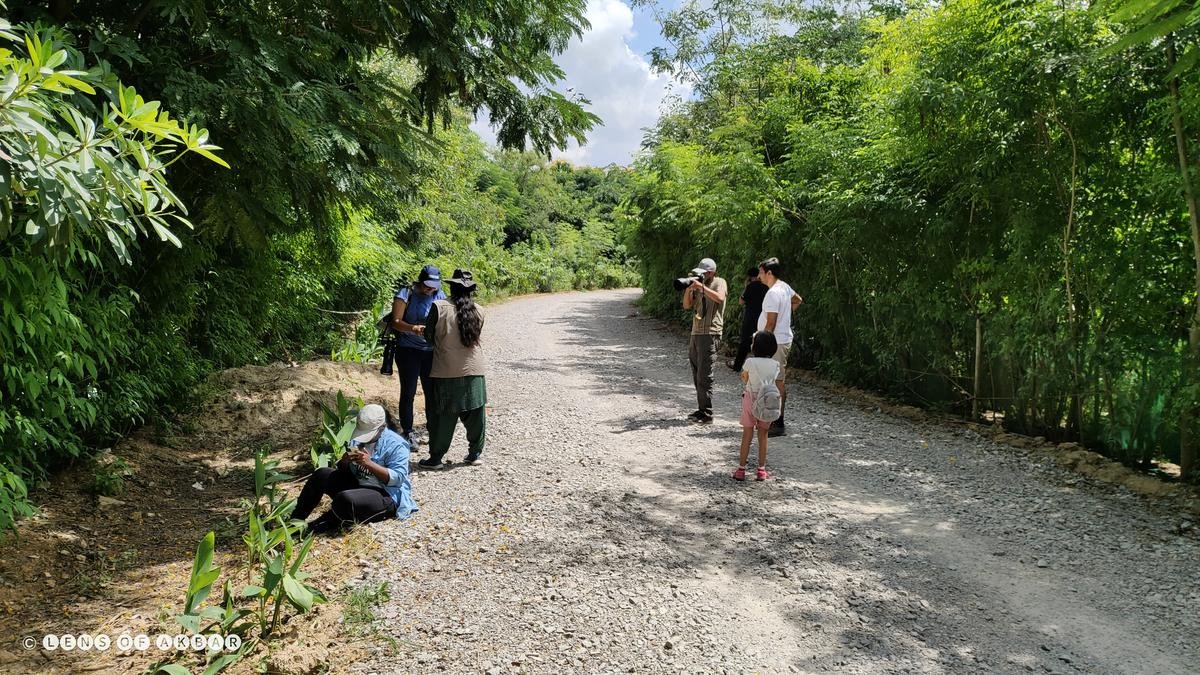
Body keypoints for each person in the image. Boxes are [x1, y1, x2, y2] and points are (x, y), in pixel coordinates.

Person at [291, 403, 418, 534]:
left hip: (386, 494)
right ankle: (294, 520)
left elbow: (398, 479)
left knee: (346, 499)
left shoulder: (397, 444)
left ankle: (314, 527)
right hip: (359, 484)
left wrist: (370, 464)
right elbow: (342, 470)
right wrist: (345, 462)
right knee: (321, 474)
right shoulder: (357, 439)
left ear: (382, 428)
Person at [417, 269, 487, 468]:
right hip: (475, 369)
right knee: (476, 413)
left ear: (450, 287)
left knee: (443, 415)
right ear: (471, 289)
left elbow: (429, 336)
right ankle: (474, 454)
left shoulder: (438, 307)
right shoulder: (480, 310)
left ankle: (436, 458)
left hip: (446, 370)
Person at [390, 265, 446, 445]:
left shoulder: (439, 295)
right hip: (408, 349)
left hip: (431, 351)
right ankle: (407, 431)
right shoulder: (405, 294)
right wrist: (412, 328)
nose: (430, 289)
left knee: (432, 392)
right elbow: (396, 322)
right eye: (427, 285)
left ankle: (434, 428)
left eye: (433, 286)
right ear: (420, 282)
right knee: (408, 392)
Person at [756, 257, 803, 437]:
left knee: (777, 381)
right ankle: (772, 418)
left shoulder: (773, 293)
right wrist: (787, 314)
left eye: (761, 272)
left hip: (775, 342)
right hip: (781, 340)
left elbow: (771, 324)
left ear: (769, 273)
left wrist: (761, 347)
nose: (759, 276)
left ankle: (777, 421)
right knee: (775, 380)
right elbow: (798, 300)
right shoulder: (784, 287)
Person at [682, 257, 727, 423]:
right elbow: (687, 305)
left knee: (705, 375)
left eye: (704, 273)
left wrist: (701, 287)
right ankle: (701, 409)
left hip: (710, 332)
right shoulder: (698, 284)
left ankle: (707, 413)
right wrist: (689, 288)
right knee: (696, 372)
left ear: (712, 272)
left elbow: (720, 298)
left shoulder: (719, 282)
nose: (701, 276)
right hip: (696, 332)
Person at [735, 331, 780, 481]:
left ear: (756, 347)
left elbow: (744, 377)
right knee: (763, 434)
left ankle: (741, 469)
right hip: (767, 401)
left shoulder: (750, 362)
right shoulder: (775, 364)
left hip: (751, 398)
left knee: (747, 434)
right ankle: (761, 470)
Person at [730, 267, 768, 371]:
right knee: (761, 342)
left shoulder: (750, 287)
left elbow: (741, 301)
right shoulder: (766, 287)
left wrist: (746, 287)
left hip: (749, 318)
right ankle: (760, 367)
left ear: (749, 277)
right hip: (762, 318)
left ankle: (737, 366)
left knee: (745, 342)